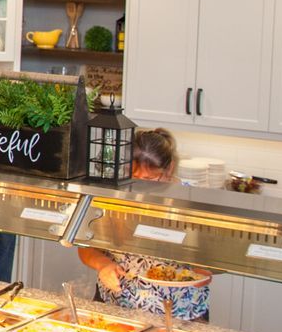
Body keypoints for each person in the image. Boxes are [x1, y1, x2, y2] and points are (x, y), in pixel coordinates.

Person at [77, 128, 210, 320]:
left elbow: (212, 257)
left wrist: (204, 271)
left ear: (169, 169)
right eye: (133, 177)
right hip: (117, 308)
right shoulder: (114, 195)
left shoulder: (192, 200)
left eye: (149, 179)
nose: (140, 185)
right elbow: (84, 247)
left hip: (181, 312)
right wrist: (103, 265)